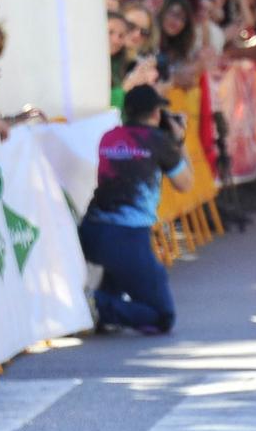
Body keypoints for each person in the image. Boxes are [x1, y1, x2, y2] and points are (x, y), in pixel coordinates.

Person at [80, 85, 192, 336]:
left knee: (119, 272)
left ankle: (102, 305)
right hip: (128, 237)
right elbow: (185, 183)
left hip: (92, 230)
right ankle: (95, 307)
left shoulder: (109, 136)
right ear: (155, 114)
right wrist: (180, 143)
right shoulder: (159, 142)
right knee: (163, 316)